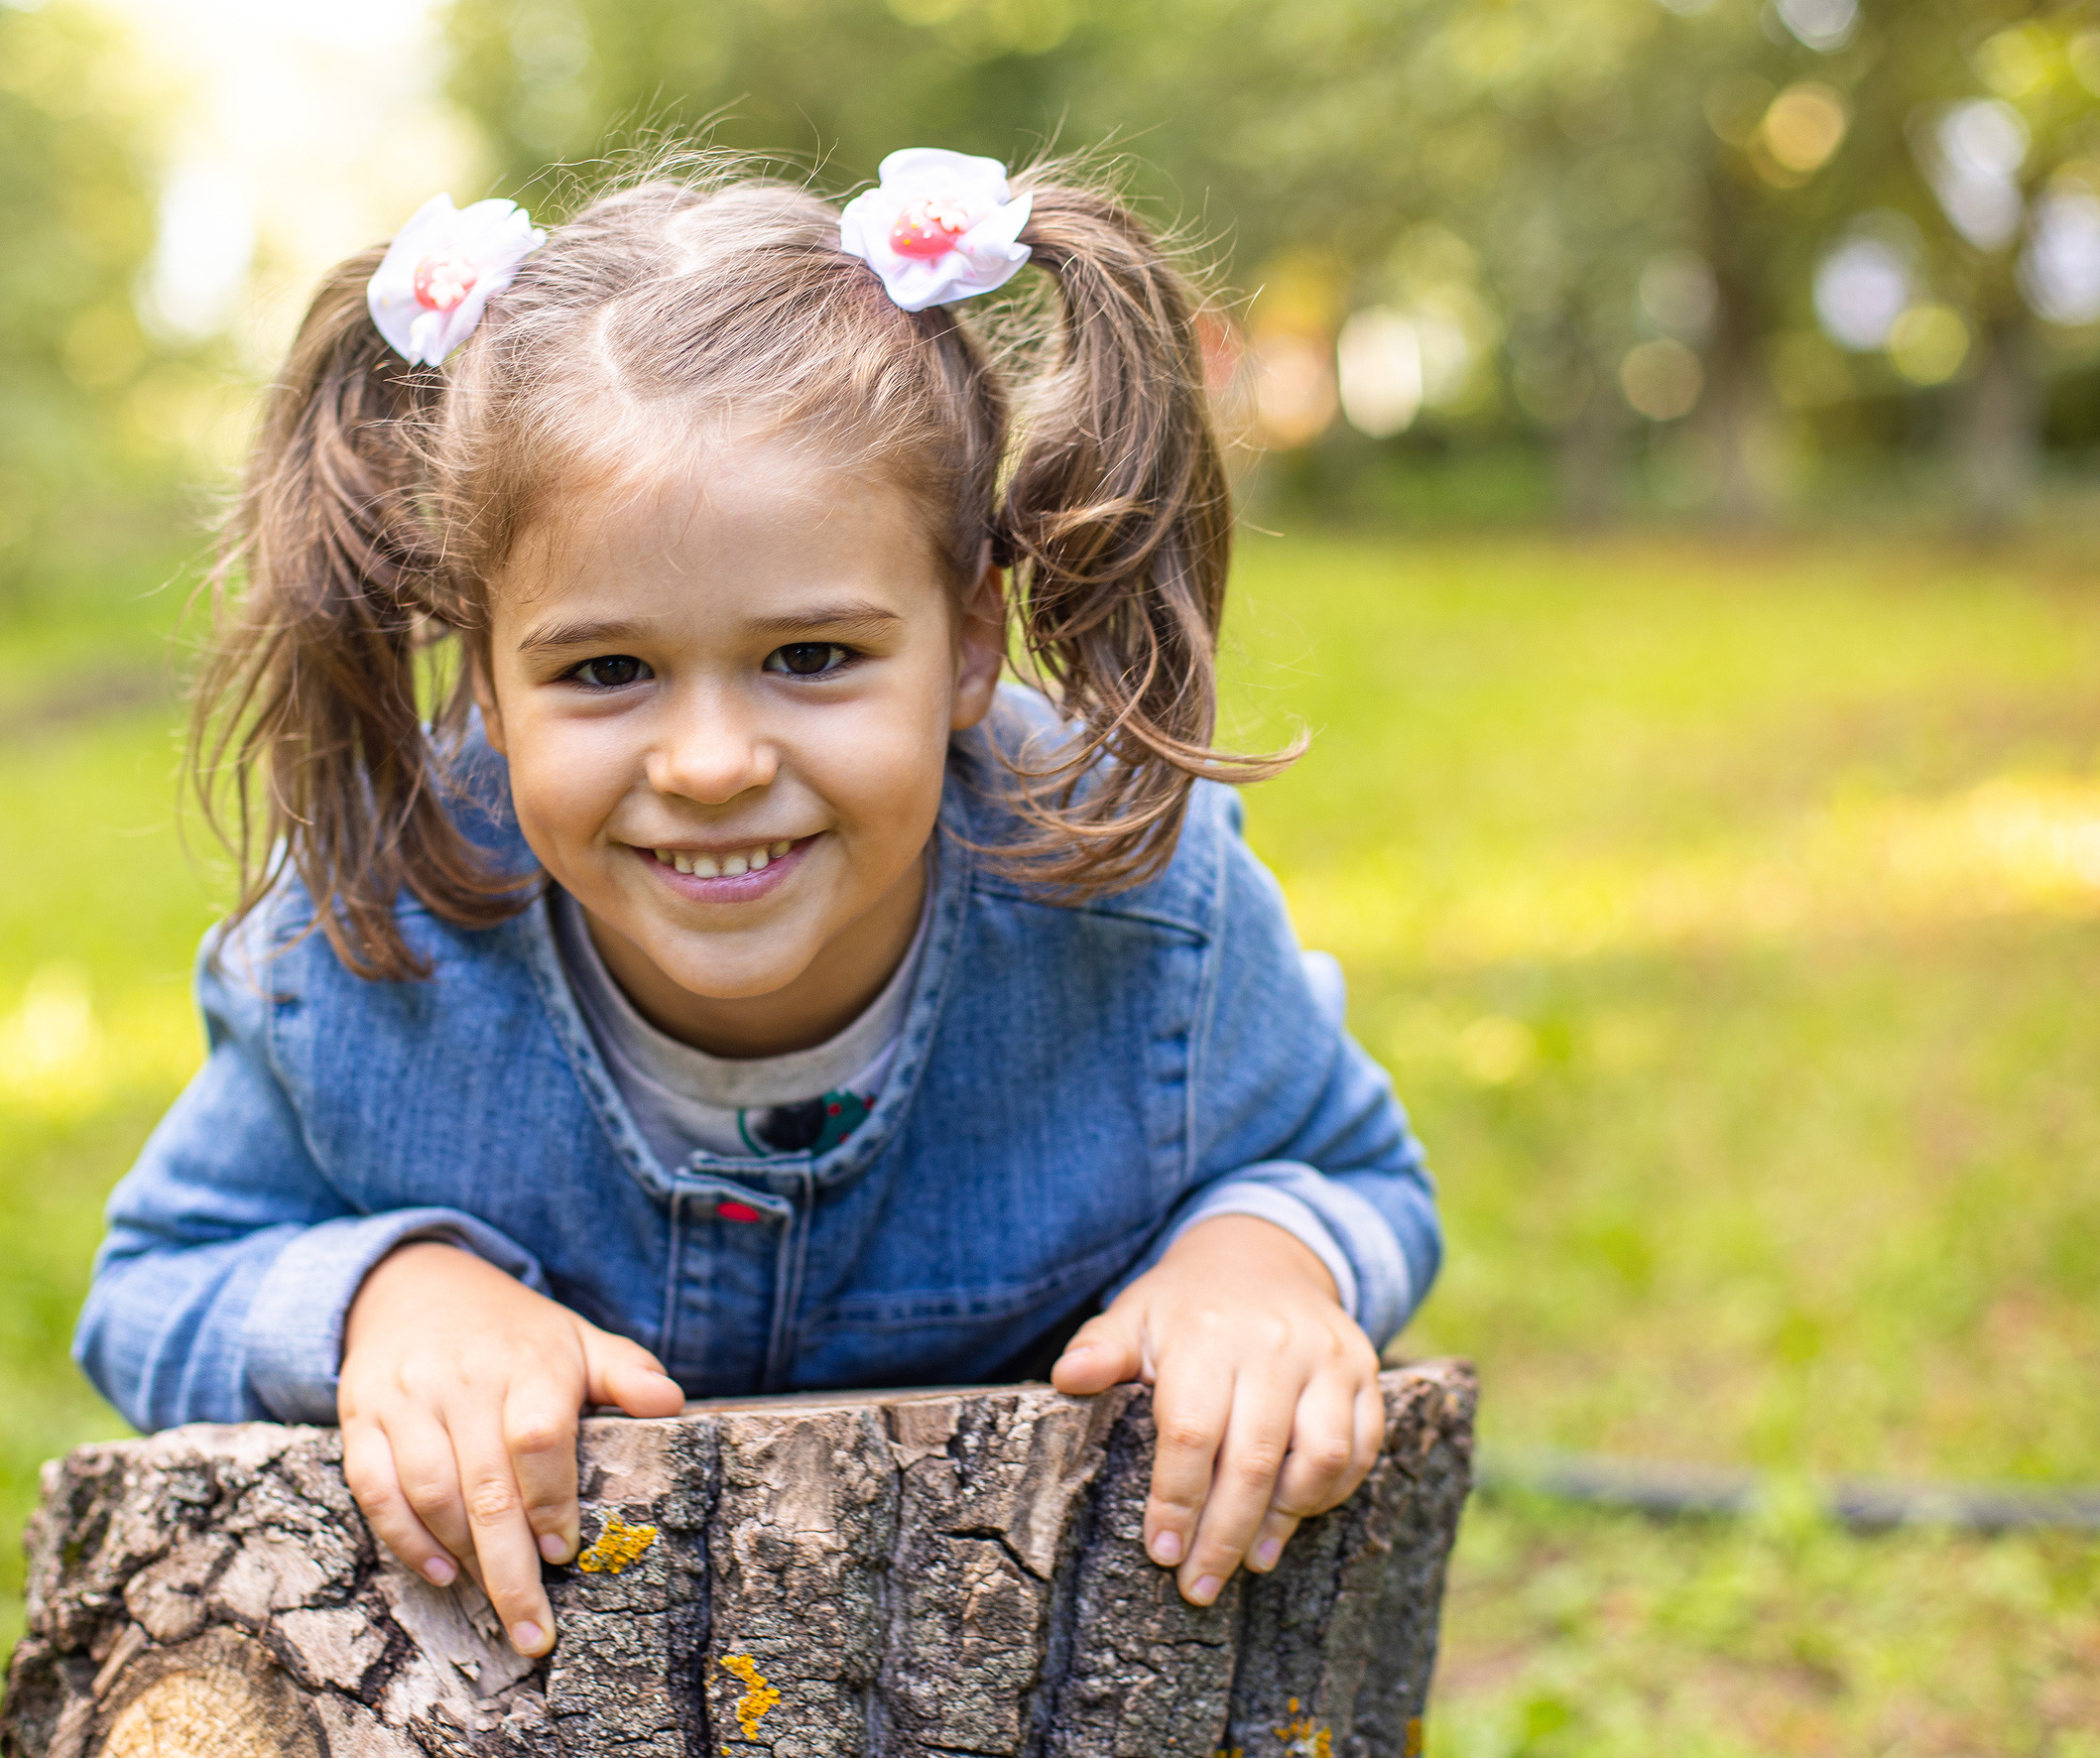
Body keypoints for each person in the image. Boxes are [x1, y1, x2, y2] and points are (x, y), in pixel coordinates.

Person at [76, 149, 1440, 1662]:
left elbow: (1352, 1173)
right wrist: (389, 1299)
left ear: (971, 642)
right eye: (606, 672)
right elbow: (153, 1289)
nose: (713, 764)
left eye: (810, 658)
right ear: (486, 677)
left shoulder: (1140, 907)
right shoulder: (364, 946)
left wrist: (1260, 1265)